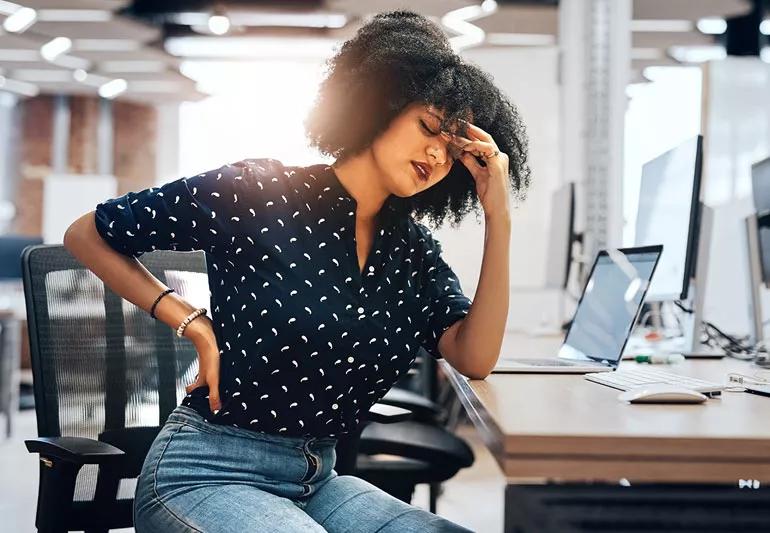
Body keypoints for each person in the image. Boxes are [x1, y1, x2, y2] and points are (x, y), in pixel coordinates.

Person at [63, 9, 529, 533]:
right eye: (428, 128)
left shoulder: (413, 250)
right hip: (205, 472)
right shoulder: (257, 193)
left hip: (319, 482)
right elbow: (87, 234)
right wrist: (192, 323)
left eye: (453, 151)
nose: (435, 154)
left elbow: (474, 355)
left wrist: (499, 214)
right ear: (381, 105)